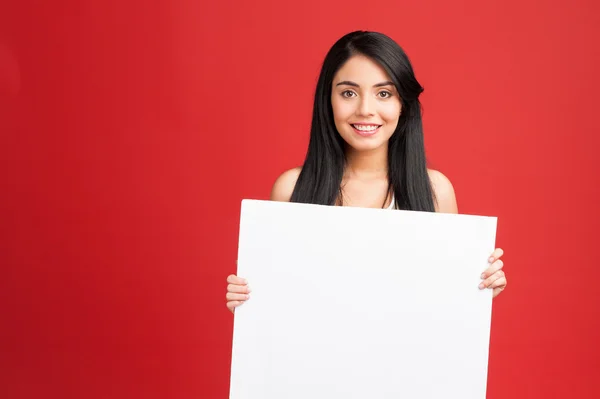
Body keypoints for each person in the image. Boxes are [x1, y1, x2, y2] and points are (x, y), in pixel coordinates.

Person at [225, 30, 507, 313]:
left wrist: (478, 288)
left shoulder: (436, 191)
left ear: (402, 105)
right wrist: (250, 297)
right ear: (328, 101)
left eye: (384, 93)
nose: (365, 110)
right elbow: (281, 303)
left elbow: (446, 303)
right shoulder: (292, 188)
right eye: (349, 93)